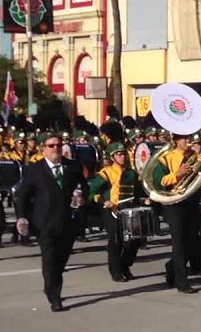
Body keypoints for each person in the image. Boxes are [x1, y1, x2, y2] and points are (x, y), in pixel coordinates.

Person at [14, 132, 88, 312]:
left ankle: (51, 286)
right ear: (43, 149)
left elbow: (84, 186)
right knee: (49, 260)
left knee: (61, 261)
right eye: (51, 145)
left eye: (58, 145)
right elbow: (22, 196)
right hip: (44, 224)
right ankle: (54, 296)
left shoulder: (73, 167)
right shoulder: (34, 170)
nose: (56, 148)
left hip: (67, 221)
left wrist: (83, 196)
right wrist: (21, 217)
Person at [150, 131, 201, 294]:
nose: (188, 140)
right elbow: (157, 182)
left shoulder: (195, 155)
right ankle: (182, 282)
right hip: (173, 203)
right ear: (176, 140)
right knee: (179, 243)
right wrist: (176, 175)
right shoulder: (166, 158)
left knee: (191, 241)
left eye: (189, 137)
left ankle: (172, 268)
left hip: (192, 201)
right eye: (184, 138)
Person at [88, 143, 143, 282]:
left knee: (134, 240)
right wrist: (104, 201)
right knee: (115, 242)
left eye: (124, 154)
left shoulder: (132, 172)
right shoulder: (105, 173)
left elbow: (138, 192)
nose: (122, 157)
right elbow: (92, 193)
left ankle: (125, 265)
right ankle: (116, 272)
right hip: (112, 210)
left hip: (129, 210)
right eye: (119, 154)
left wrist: (145, 199)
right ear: (112, 157)